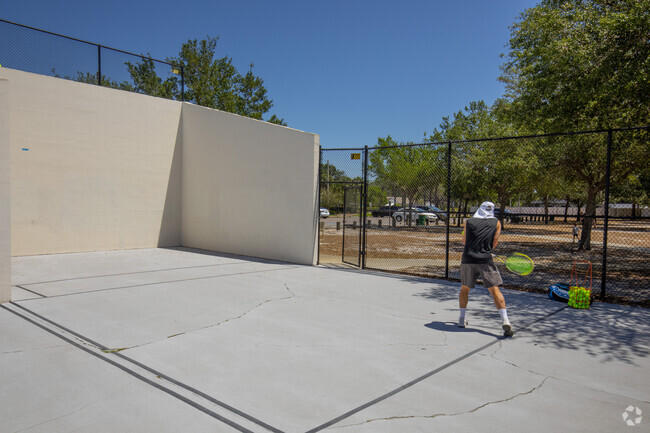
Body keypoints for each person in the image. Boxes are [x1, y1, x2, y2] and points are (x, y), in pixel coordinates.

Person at [458, 201, 513, 337]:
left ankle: (461, 319)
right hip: (485, 260)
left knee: (465, 289)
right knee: (495, 290)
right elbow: (494, 242)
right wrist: (487, 249)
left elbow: (464, 242)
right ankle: (505, 320)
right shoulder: (497, 223)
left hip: (468, 259)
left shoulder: (469, 222)